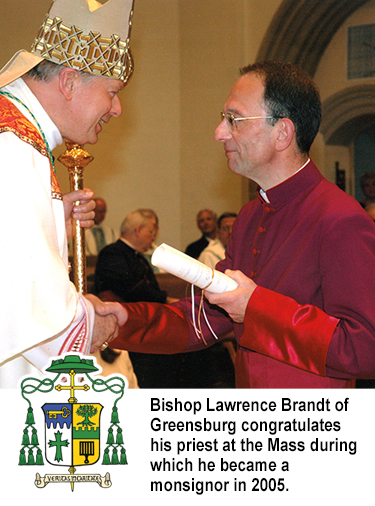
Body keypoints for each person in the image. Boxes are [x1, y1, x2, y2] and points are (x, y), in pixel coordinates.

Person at [108, 61, 375, 388]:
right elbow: (204, 320)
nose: (219, 133)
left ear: (282, 133)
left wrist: (256, 306)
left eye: (234, 119)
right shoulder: (250, 216)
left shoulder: (340, 218)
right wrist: (121, 321)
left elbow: (364, 349)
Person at [0, 0, 133, 387]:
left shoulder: (19, 136)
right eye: (113, 91)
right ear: (71, 81)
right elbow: (25, 302)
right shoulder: (12, 146)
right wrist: (91, 322)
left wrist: (53, 214)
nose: (118, 108)